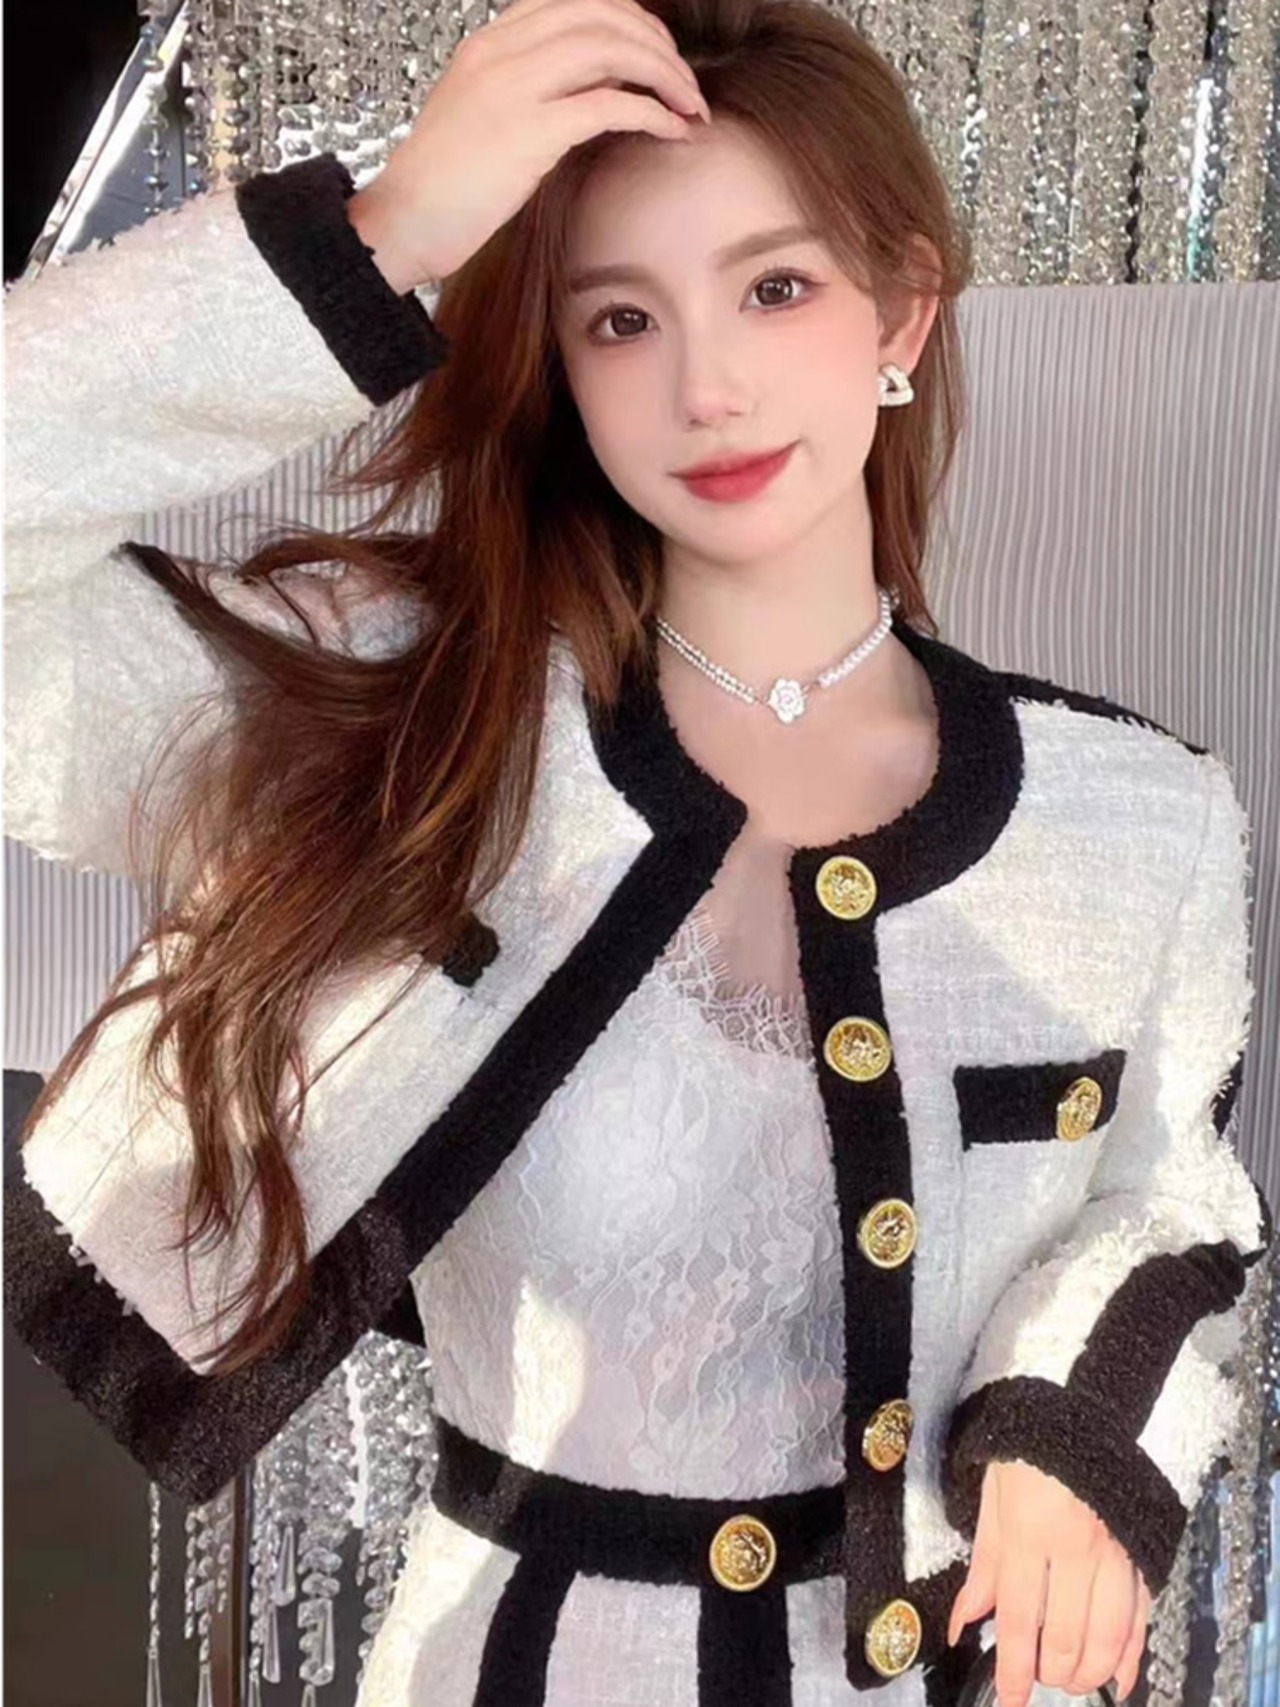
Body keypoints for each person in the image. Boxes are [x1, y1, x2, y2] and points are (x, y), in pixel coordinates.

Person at [3, 0, 1271, 1703]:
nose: (705, 386)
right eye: (621, 318)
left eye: (776, 287)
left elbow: (1172, 1200)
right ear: (562, 367)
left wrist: (1076, 1425)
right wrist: (385, 235)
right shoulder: (403, 729)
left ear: (902, 310)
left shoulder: (1140, 819)